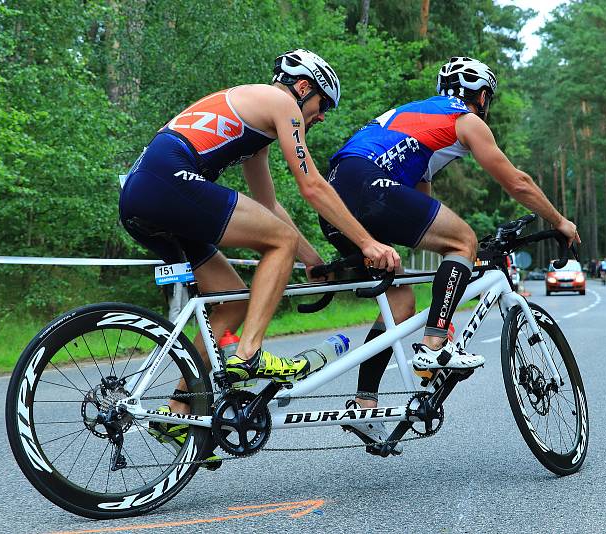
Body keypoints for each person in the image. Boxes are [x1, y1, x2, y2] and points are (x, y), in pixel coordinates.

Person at [119, 50, 400, 462]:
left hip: (142, 195)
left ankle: (179, 410)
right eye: (323, 105)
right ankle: (248, 354)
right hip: (168, 182)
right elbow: (313, 187)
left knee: (231, 300)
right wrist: (368, 244)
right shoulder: (282, 103)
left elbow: (269, 209)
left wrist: (311, 259)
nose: (321, 117)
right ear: (304, 88)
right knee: (278, 244)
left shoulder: (255, 128)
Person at [318, 57, 579, 448]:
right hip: (366, 184)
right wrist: (559, 221)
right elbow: (516, 181)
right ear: (482, 95)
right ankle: (435, 345)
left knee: (400, 301)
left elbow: (421, 209)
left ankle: (364, 402)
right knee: (463, 241)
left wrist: (450, 276)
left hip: (335, 196)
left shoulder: (417, 121)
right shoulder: (465, 118)